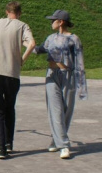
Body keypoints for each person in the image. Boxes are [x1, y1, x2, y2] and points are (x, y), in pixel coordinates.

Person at [34, 9, 87, 159]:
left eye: (53, 20)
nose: (51, 23)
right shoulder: (50, 38)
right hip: (52, 76)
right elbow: (39, 49)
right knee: (55, 110)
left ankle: (56, 140)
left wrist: (81, 85)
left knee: (66, 110)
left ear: (61, 22)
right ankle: (64, 145)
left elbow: (80, 62)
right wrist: (26, 43)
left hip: (67, 75)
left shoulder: (73, 39)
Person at [0, 1, 35, 159]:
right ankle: (9, 142)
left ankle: (1, 148)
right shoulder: (22, 26)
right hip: (12, 72)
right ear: (19, 13)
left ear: (6, 11)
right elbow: (32, 44)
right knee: (10, 108)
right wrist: (22, 59)